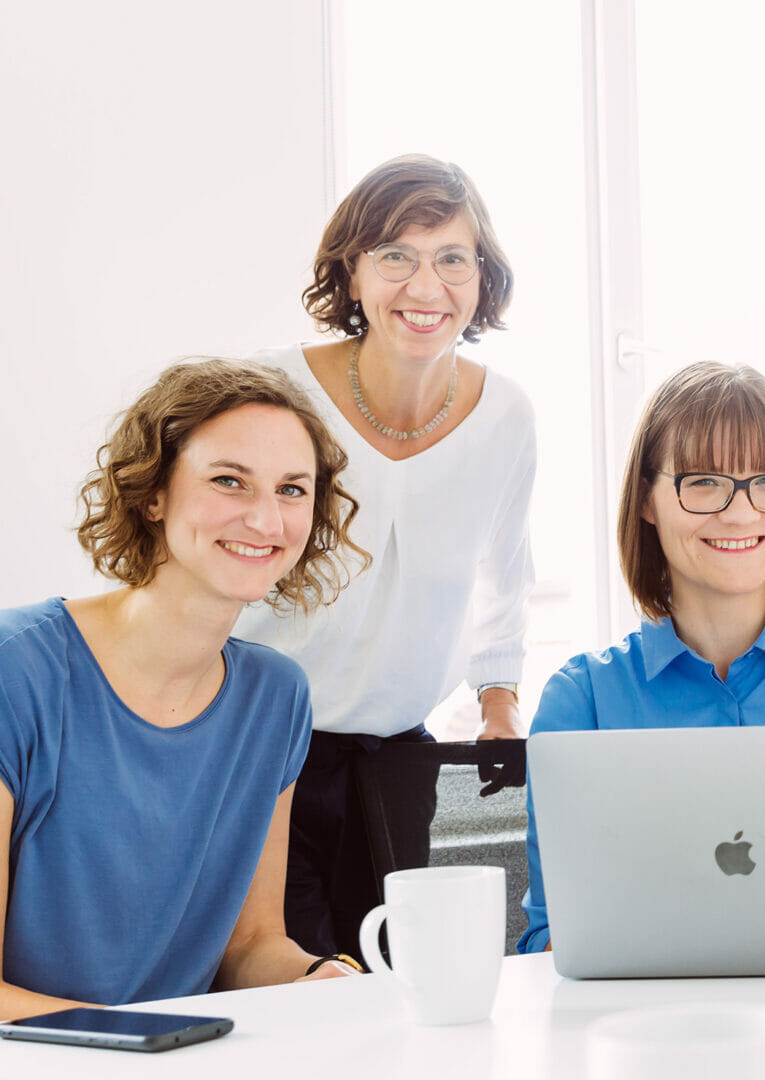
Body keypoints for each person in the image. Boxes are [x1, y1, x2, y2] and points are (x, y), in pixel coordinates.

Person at [0, 358, 369, 1020]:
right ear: (153, 494)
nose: (265, 519)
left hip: (180, 1054)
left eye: (292, 490)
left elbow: (251, 947)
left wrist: (324, 978)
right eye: (230, 481)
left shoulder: (275, 697)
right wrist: (143, 1050)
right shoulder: (15, 672)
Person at [235, 154, 536, 960]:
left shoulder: (506, 415)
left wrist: (499, 699)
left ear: (482, 279)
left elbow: (506, 576)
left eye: (451, 258)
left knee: (431, 975)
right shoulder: (269, 390)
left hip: (403, 755)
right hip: (263, 751)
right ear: (353, 271)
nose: (424, 285)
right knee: (283, 987)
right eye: (395, 255)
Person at [518, 361, 765, 954]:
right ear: (646, 500)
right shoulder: (582, 701)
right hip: (652, 1033)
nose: (743, 512)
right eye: (703, 481)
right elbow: (554, 940)